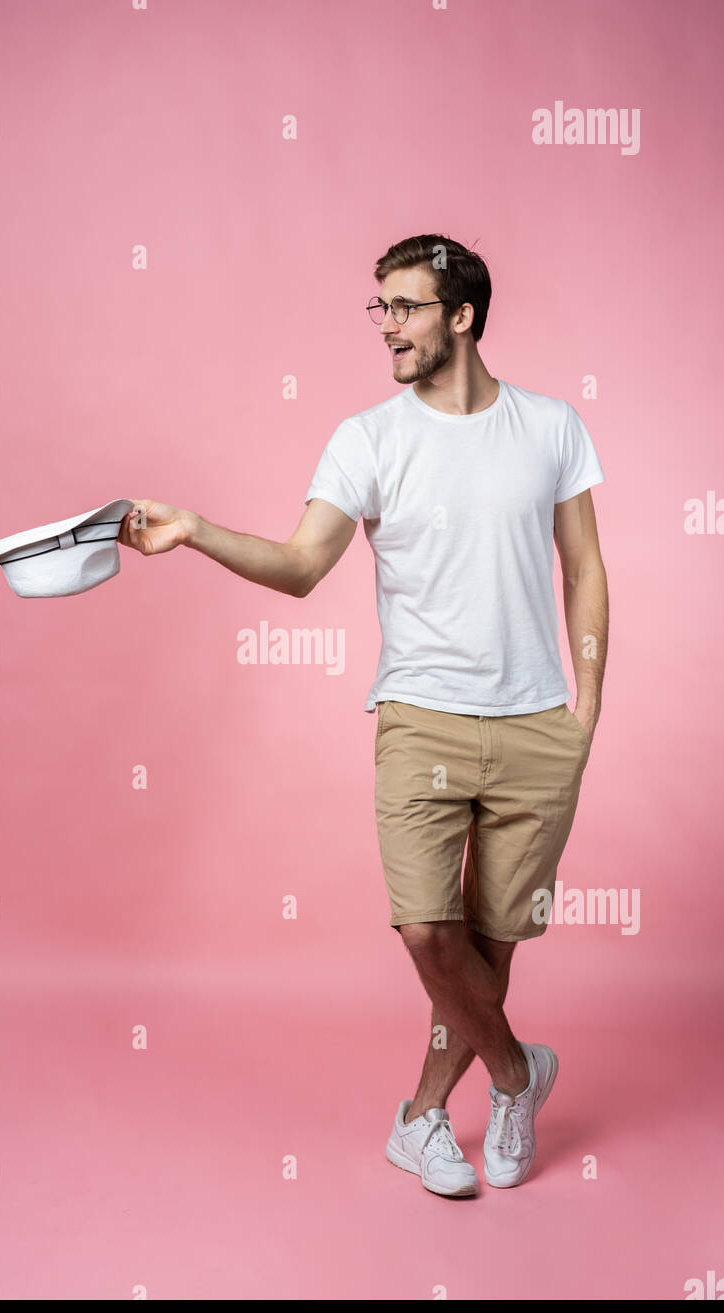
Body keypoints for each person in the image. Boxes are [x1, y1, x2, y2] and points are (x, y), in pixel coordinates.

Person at [118, 233, 608, 1199]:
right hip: (421, 720)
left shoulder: (553, 427)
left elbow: (585, 566)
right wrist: (197, 532)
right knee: (429, 934)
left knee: (490, 946)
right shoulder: (367, 439)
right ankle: (519, 1075)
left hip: (535, 726)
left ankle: (421, 1120)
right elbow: (302, 566)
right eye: (380, 307)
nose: (387, 325)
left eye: (406, 307)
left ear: (461, 316)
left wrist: (584, 710)